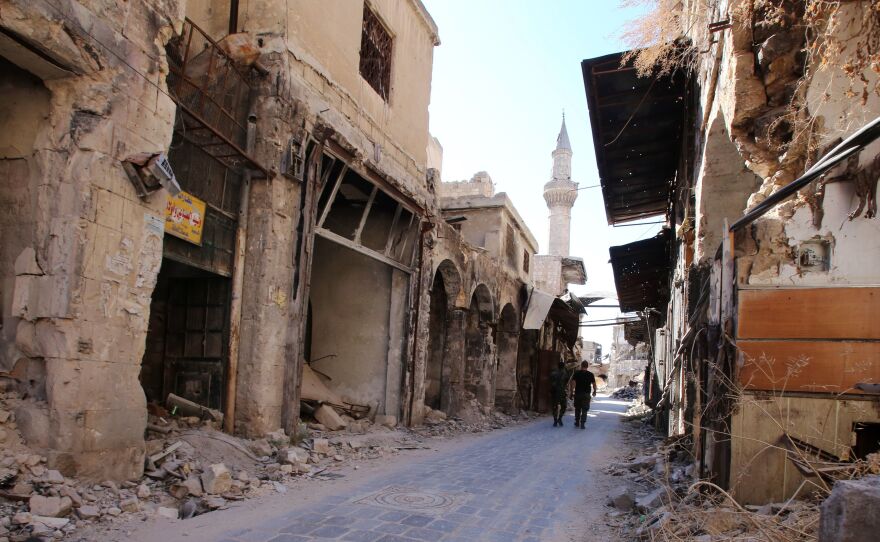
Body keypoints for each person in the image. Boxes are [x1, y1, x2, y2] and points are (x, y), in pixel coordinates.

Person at [569, 361, 597, 429]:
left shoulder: (577, 373)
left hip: (578, 394)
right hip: (586, 394)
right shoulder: (590, 374)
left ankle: (577, 422)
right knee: (585, 409)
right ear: (587, 366)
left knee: (577, 408)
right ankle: (582, 423)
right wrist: (594, 391)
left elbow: (573, 383)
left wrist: (571, 392)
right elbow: (594, 384)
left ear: (581, 365)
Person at [549, 360, 568, 427]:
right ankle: (559, 418)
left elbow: (550, 382)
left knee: (554, 407)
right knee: (564, 406)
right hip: (562, 392)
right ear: (563, 367)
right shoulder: (565, 374)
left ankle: (555, 421)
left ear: (558, 366)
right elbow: (566, 383)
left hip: (554, 392)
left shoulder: (553, 373)